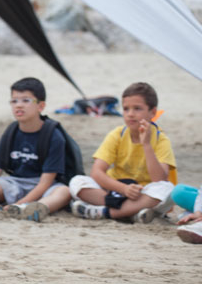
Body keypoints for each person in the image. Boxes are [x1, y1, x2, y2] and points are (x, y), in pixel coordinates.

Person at [0, 77, 71, 222]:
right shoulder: (11, 132)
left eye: (26, 100)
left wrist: (20, 203)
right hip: (15, 183)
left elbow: (45, 183)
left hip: (43, 186)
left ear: (41, 106)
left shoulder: (53, 136)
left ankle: (31, 209)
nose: (19, 105)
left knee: (64, 192)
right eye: (14, 101)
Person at [70, 82, 175, 223]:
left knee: (167, 189)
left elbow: (159, 179)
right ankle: (130, 213)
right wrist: (124, 189)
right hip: (115, 191)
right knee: (77, 182)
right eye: (126, 109)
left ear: (153, 112)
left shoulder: (161, 139)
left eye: (137, 109)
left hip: (143, 194)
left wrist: (146, 145)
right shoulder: (117, 135)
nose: (130, 114)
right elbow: (97, 172)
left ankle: (106, 212)